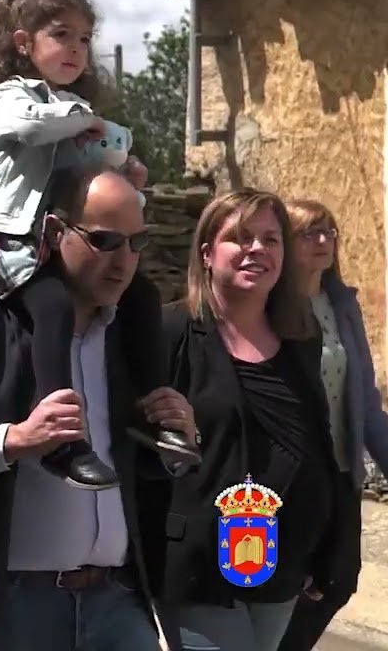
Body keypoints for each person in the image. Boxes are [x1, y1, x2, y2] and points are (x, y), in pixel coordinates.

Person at [0, 170, 190, 650]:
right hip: (11, 608)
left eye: (137, 243)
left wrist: (174, 436)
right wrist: (14, 439)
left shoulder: (130, 333)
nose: (123, 261)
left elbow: (137, 468)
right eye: (105, 241)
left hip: (116, 602)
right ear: (54, 231)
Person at [0, 0, 197, 492]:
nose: (75, 48)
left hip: (50, 238)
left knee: (142, 296)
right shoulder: (14, 96)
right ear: (24, 43)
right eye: (61, 34)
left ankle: (154, 415)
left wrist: (126, 174)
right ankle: (62, 437)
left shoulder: (72, 110)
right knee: (53, 307)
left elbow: (89, 177)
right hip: (6, 241)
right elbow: (28, 127)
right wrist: (83, 121)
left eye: (84, 38)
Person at [155, 189, 341, 650]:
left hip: (282, 559)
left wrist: (327, 545)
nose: (257, 249)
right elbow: (135, 437)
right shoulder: (172, 331)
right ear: (207, 253)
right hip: (202, 564)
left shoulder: (301, 335)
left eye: (270, 240)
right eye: (240, 237)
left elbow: (317, 443)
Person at [277, 199, 388, 650]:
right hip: (296, 477)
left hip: (343, 472)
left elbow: (366, 400)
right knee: (292, 584)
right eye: (309, 232)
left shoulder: (341, 304)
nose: (323, 240)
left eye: (329, 231)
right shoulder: (272, 307)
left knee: (340, 580)